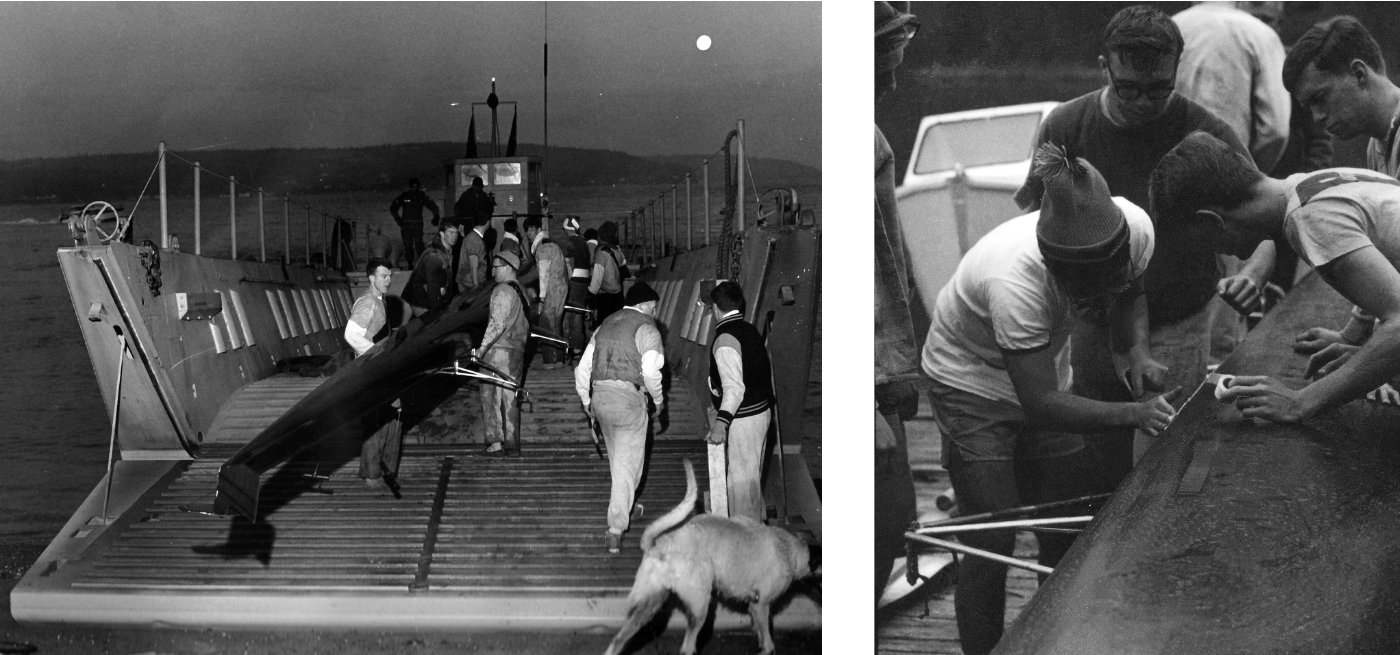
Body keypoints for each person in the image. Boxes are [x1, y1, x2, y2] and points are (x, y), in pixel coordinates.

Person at [929, 144, 1178, 655]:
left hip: (1038, 364)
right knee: (993, 533)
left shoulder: (1133, 228)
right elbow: (1039, 402)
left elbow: (1130, 290)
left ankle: (1057, 644)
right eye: (1081, 287)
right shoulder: (1014, 280)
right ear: (1053, 265)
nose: (1093, 297)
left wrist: (1136, 350)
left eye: (1103, 279)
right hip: (969, 379)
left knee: (1066, 518)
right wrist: (1135, 413)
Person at [1013, 4, 1258, 480]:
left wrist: (1253, 271)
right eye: (1129, 89)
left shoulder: (1208, 132)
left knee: (1166, 458)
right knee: (1098, 451)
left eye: (1159, 89)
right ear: (1104, 66)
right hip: (1092, 321)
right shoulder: (1064, 127)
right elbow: (1034, 213)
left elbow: (1260, 215)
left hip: (1179, 315)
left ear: (1176, 70)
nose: (1144, 102)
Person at [1151, 131, 1400, 423]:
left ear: (1211, 220)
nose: (1214, 253)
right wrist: (1357, 338)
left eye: (1203, 244)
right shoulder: (1313, 184)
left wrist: (1301, 402)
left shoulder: (1307, 218)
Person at [1172, 1, 1292, 364]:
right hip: (1227, 185)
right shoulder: (1259, 34)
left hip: (1167, 180)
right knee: (1227, 294)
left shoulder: (1172, 24)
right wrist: (1249, 182)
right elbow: (1275, 128)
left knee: (1171, 295)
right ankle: (1215, 380)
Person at [1281, 16, 1400, 360]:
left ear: (1360, 74)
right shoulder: (1379, 142)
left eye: (1321, 98)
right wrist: (1355, 334)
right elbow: (1388, 253)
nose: (1317, 117)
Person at [873, 0, 922, 607]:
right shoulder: (860, 142)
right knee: (884, 522)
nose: (892, 79)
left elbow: (892, 270)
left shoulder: (874, 138)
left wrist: (899, 370)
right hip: (870, 386)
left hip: (884, 374)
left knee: (897, 516)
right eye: (885, 62)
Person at [573, 281, 665, 553]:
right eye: (653, 306)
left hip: (601, 400)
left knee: (622, 462)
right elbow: (650, 372)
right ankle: (615, 529)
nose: (655, 311)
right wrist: (658, 400)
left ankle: (625, 505)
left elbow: (582, 370)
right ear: (643, 304)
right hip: (628, 403)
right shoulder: (647, 327)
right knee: (628, 466)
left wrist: (587, 402)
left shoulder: (605, 325)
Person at [705, 281, 775, 523]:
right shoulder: (749, 330)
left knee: (741, 481)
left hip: (742, 418)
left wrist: (720, 424)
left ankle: (747, 539)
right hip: (760, 413)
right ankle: (758, 523)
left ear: (715, 308)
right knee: (751, 475)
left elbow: (734, 389)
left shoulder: (725, 339)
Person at [345, 258, 402, 488]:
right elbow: (351, 335)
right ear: (371, 278)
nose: (388, 280)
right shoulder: (368, 303)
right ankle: (371, 474)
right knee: (377, 420)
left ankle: (384, 470)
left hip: (382, 369)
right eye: (383, 276)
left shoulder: (380, 300)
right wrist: (377, 355)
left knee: (391, 416)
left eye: (389, 276)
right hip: (372, 370)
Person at [474, 251, 531, 458]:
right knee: (510, 398)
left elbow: (497, 323)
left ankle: (495, 444)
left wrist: (481, 349)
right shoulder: (522, 290)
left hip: (498, 351)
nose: (493, 271)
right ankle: (512, 445)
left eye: (496, 267)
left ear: (508, 267)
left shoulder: (503, 290)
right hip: (517, 350)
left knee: (491, 397)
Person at [525, 215, 569, 368]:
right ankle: (560, 359)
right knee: (557, 323)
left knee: (546, 324)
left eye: (531, 230)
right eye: (527, 231)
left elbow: (543, 274)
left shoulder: (542, 248)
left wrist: (541, 298)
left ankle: (550, 361)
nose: (528, 233)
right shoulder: (553, 243)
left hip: (551, 288)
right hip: (562, 286)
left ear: (538, 230)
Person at [403, 217, 461, 316]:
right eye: (451, 232)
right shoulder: (433, 257)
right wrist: (437, 312)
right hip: (421, 300)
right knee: (431, 327)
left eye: (456, 233)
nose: (454, 236)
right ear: (442, 234)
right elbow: (433, 287)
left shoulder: (446, 251)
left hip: (429, 295)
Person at [389, 177, 440, 267]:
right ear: (410, 187)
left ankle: (422, 262)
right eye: (413, 187)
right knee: (408, 245)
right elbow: (393, 207)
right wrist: (398, 219)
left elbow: (432, 205)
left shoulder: (421, 196)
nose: (415, 189)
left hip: (417, 224)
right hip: (406, 225)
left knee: (419, 244)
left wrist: (436, 215)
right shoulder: (405, 196)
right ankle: (410, 264)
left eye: (417, 187)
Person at [561, 216, 592, 354]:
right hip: (584, 282)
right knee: (578, 313)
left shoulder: (570, 242)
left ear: (568, 229)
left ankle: (568, 345)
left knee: (568, 314)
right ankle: (578, 346)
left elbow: (568, 264)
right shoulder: (584, 242)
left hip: (573, 280)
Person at [589, 221, 627, 323]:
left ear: (601, 237)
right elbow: (624, 265)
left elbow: (597, 278)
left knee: (604, 324)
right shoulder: (617, 250)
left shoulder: (601, 253)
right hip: (618, 296)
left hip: (606, 297)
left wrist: (591, 298)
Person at [457, 214, 490, 296]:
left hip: (468, 284)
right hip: (470, 286)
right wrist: (477, 289)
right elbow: (473, 268)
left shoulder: (473, 237)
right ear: (488, 222)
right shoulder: (474, 240)